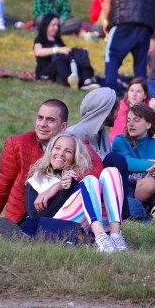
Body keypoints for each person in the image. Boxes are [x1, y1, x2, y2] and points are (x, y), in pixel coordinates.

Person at [8, 133, 128, 252]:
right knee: (90, 180)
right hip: (63, 227)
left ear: (75, 157)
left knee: (111, 171)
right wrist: (59, 188)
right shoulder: (36, 179)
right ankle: (101, 238)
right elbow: (36, 217)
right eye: (57, 148)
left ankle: (115, 237)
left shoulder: (77, 178)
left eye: (68, 151)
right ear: (50, 150)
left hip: (90, 225)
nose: (61, 153)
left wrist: (71, 184)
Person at [0, 99, 72, 230]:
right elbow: (3, 185)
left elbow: (91, 173)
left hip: (59, 211)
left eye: (50, 120)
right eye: (40, 118)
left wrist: (57, 186)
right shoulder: (18, 144)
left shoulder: (72, 146)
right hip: (24, 214)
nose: (42, 124)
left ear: (63, 126)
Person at [66, 87, 134, 219]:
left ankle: (120, 215)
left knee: (116, 159)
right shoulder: (72, 136)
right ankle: (119, 214)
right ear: (105, 110)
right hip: (79, 192)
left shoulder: (101, 135)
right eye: (115, 109)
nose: (117, 113)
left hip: (100, 189)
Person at [112, 103, 155, 210]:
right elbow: (127, 163)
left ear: (148, 125)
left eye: (136, 120)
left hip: (152, 191)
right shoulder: (120, 140)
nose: (130, 124)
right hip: (129, 188)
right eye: (128, 120)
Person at [33, 13, 100, 91]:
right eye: (53, 25)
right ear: (46, 25)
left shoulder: (57, 40)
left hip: (59, 72)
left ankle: (87, 81)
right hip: (45, 71)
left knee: (80, 57)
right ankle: (70, 80)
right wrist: (57, 50)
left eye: (57, 25)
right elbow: (38, 52)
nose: (56, 28)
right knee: (59, 61)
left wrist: (81, 52)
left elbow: (65, 51)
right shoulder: (40, 39)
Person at [109, 77, 155, 144]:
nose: (134, 94)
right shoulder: (121, 106)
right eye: (131, 90)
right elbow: (128, 130)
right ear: (128, 92)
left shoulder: (148, 106)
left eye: (138, 91)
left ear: (145, 95)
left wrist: (153, 110)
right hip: (120, 142)